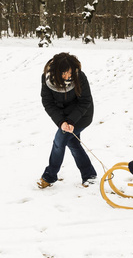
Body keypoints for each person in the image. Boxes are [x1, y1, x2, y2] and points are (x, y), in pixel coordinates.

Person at [37, 52, 97, 189]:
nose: (68, 76)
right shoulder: (46, 79)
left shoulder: (79, 76)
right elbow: (48, 102)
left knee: (59, 141)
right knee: (73, 143)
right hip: (63, 117)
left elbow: (85, 101)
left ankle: (49, 176)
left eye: (69, 73)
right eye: (64, 73)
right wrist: (61, 122)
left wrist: (71, 121)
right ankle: (89, 175)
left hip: (81, 116)